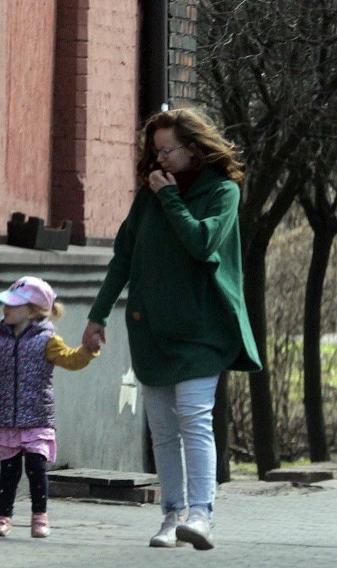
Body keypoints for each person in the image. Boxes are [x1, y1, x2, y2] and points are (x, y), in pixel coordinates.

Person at [81, 108, 262, 550]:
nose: (160, 159)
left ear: (194, 148)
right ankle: (171, 515)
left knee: (194, 420)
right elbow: (123, 256)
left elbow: (202, 245)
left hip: (202, 329)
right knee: (162, 429)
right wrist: (97, 315)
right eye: (154, 150)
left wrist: (171, 200)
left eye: (168, 149)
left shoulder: (222, 192)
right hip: (151, 328)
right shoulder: (149, 196)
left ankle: (201, 515)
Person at [0, 276, 98, 539]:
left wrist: (88, 350)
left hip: (37, 416)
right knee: (9, 471)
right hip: (6, 417)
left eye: (13, 305)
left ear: (31, 311)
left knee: (36, 469)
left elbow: (71, 360)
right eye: (6, 304)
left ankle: (40, 516)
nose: (6, 309)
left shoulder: (47, 340)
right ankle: (2, 517)